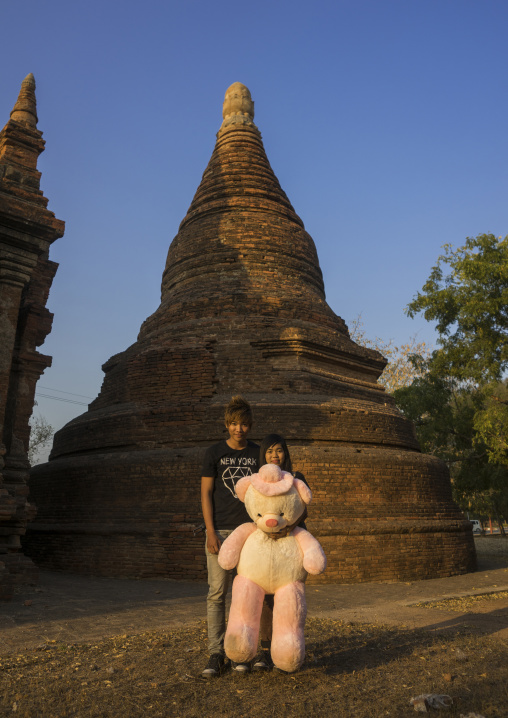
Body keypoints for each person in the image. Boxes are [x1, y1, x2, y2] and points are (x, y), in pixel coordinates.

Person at [200, 396, 259, 678]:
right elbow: (206, 494)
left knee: (245, 595)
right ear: (227, 424)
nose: (239, 429)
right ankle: (216, 653)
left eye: (244, 424)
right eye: (234, 423)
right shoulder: (214, 453)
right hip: (221, 531)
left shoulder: (259, 453)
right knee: (217, 594)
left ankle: (242, 652)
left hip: (251, 533)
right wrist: (210, 531)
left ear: (250, 426)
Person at [252, 433, 309, 672]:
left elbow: (303, 510)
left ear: (285, 453)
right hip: (265, 544)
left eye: (279, 450)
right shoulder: (257, 481)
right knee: (266, 599)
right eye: (269, 451)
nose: (274, 456)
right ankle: (266, 651)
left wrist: (286, 528)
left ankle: (286, 649)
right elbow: (253, 509)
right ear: (263, 455)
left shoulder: (297, 478)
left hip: (290, 543)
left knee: (289, 599)